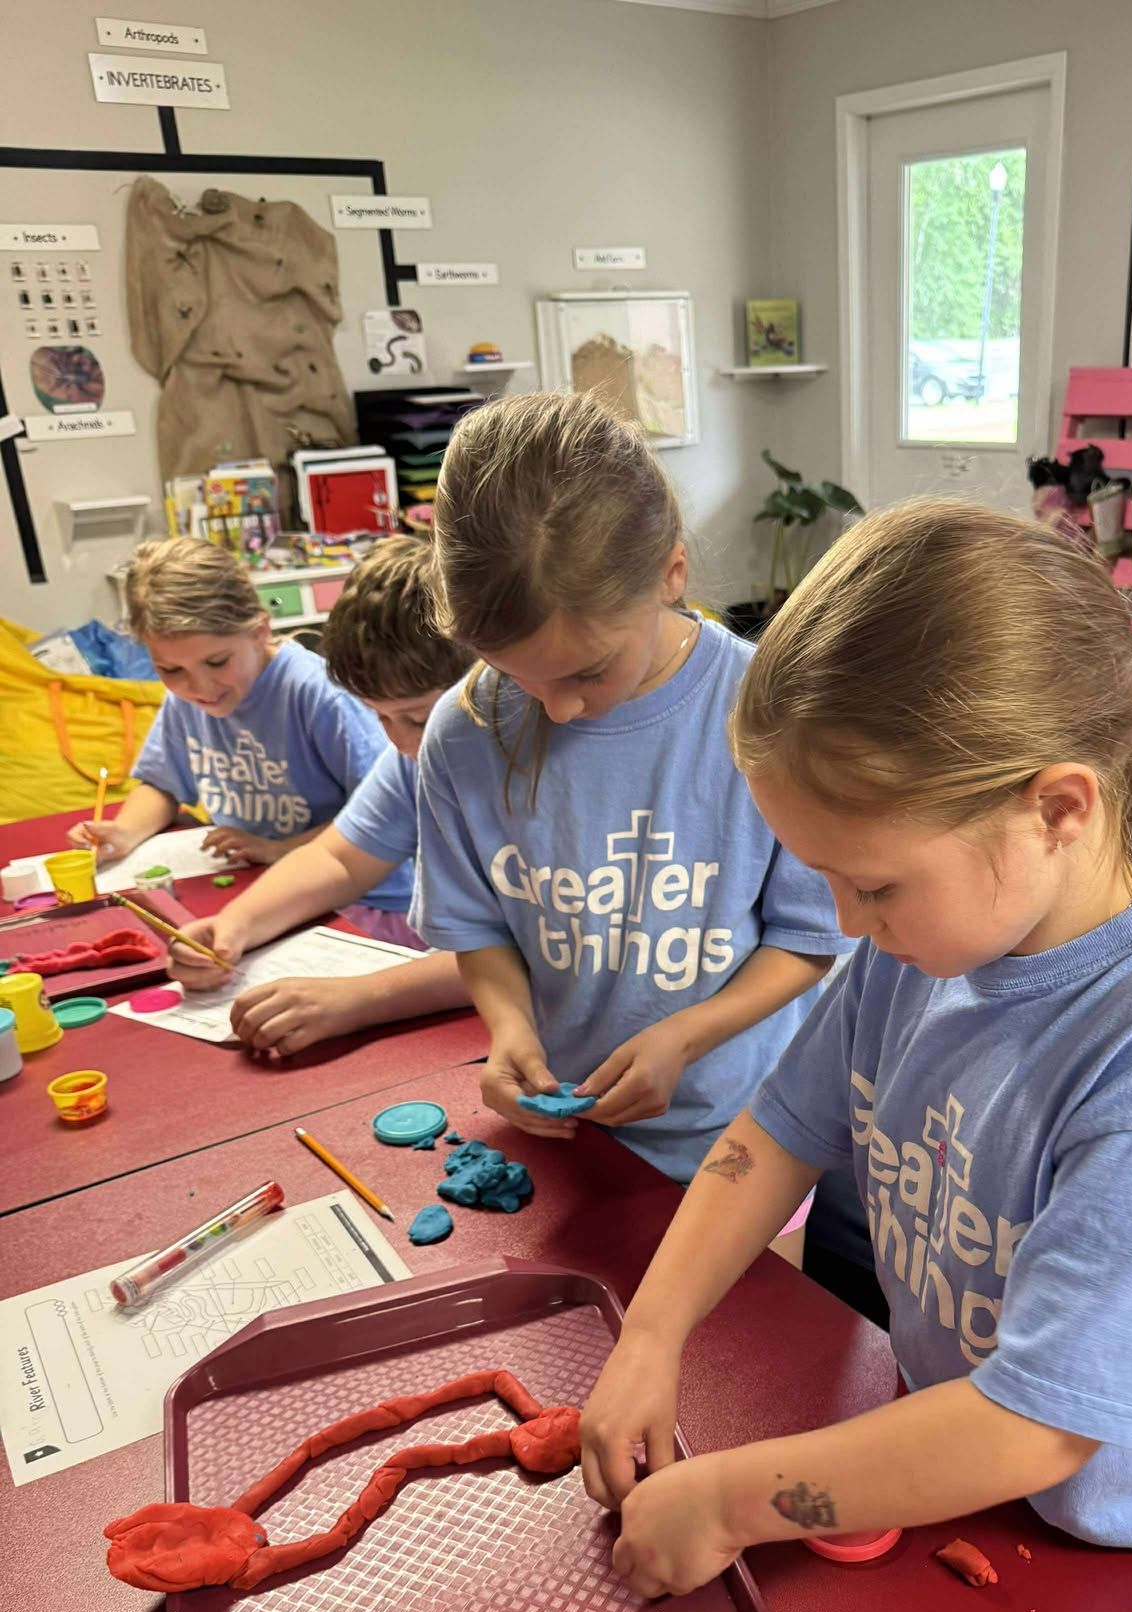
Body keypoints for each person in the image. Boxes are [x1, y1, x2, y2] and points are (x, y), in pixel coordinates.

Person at [578, 501, 1132, 1612]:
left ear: (1058, 808)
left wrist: (729, 1501)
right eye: (819, 873)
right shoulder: (922, 943)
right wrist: (650, 1335)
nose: (844, 920)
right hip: (959, 1464)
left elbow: (1041, 1418)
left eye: (871, 883)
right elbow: (777, 1133)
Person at [413, 390, 851, 1218]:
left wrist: (686, 1035)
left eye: (585, 672)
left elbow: (809, 939)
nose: (557, 709)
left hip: (751, 1139)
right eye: (516, 673)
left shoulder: (769, 715)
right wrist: (510, 1031)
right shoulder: (463, 734)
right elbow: (478, 930)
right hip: (572, 1143)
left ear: (670, 574)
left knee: (748, 1343)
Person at [164, 536, 472, 1056]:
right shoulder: (414, 759)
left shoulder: (540, 771)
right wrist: (235, 925)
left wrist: (358, 999)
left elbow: (527, 953)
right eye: (379, 716)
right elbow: (340, 860)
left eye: (418, 718)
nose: (400, 742)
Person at [72, 538, 405, 923]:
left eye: (217, 661)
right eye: (171, 670)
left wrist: (279, 849)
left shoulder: (317, 695)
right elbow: (162, 784)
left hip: (361, 897)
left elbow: (385, 815)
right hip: (259, 881)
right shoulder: (186, 700)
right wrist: (125, 834)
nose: (199, 687)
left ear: (259, 630)